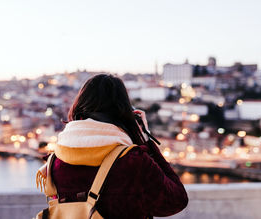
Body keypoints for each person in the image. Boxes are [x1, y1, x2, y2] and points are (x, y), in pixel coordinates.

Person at [39, 74, 188, 219]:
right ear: (124, 113)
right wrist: (145, 139)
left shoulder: (55, 161)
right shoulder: (133, 161)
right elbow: (176, 201)